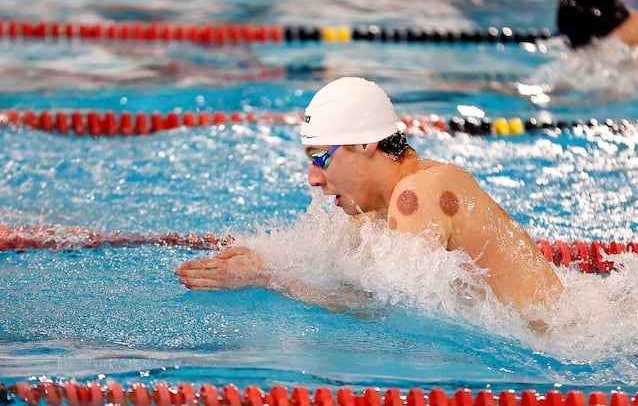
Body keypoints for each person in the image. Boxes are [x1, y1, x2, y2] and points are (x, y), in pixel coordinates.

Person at [174, 76, 564, 327]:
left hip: (562, 347)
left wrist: (268, 280)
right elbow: (336, 271)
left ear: (365, 144)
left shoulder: (418, 194)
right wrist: (260, 258)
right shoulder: (372, 207)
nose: (313, 178)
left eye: (320, 157)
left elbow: (389, 313)